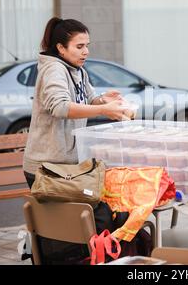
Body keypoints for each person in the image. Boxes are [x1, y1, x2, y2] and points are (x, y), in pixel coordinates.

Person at [23, 17, 133, 186]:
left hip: (68, 165)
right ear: (61, 48)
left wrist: (103, 100)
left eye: (87, 46)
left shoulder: (79, 70)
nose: (86, 51)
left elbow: (90, 99)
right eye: (79, 46)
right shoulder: (54, 69)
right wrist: (103, 110)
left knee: (105, 203)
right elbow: (60, 108)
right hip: (46, 168)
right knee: (96, 209)